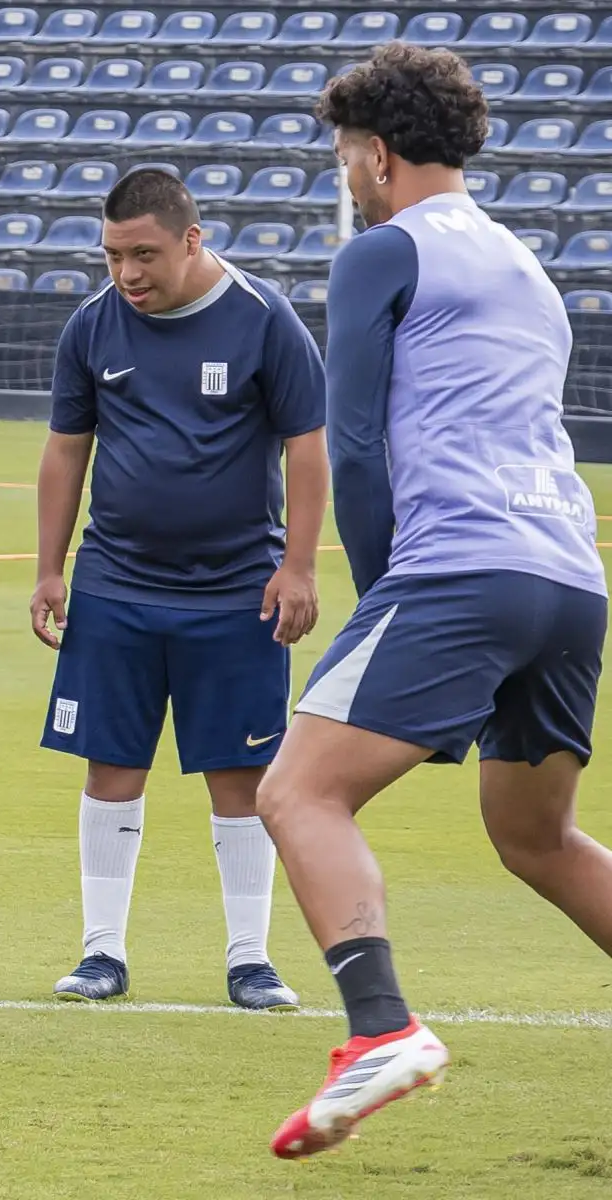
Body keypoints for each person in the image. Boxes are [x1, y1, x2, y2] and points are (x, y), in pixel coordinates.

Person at [260, 43, 612, 1158]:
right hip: (570, 576)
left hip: (462, 568)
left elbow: (356, 441)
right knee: (538, 837)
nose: (346, 177)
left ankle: (381, 1030)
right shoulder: (527, 266)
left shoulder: (384, 251)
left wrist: (381, 598)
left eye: (344, 157)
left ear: (376, 154)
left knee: (298, 793)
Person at [31, 168, 330, 1011]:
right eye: (113, 255)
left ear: (192, 240)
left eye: (144, 255)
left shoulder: (264, 318)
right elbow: (66, 449)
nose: (127, 273)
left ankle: (250, 960)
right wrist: (50, 568)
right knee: (111, 765)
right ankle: (101, 953)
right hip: (116, 585)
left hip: (237, 590)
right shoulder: (92, 325)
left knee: (240, 774)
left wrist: (299, 566)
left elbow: (308, 447)